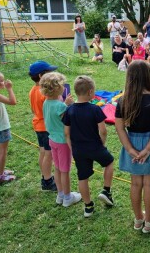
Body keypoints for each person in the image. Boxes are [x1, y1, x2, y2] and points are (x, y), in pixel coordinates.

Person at [115, 61, 150, 233]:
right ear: (147, 76)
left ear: (129, 77)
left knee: (136, 184)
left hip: (132, 144)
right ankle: (149, 222)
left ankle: (139, 219)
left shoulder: (122, 101)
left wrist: (130, 149)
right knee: (149, 184)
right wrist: (147, 150)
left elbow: (119, 128)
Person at [62, 76, 114, 217]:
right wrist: (102, 143)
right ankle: (106, 191)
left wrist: (72, 148)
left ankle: (88, 207)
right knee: (109, 163)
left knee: (82, 178)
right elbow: (103, 130)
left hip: (78, 150)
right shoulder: (95, 109)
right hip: (95, 146)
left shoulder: (69, 110)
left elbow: (66, 133)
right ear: (91, 92)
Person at [40, 72, 82, 208]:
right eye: (63, 85)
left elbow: (55, 114)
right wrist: (69, 106)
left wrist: (64, 104)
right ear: (57, 88)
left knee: (57, 169)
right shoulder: (61, 106)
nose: (64, 87)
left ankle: (61, 195)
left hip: (52, 139)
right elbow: (69, 119)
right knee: (65, 171)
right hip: (63, 142)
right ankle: (68, 197)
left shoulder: (47, 102)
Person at [28, 60, 58, 191]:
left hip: (38, 125)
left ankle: (45, 177)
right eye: (49, 73)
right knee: (48, 154)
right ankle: (47, 181)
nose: (53, 74)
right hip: (46, 127)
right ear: (41, 76)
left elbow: (34, 110)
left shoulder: (33, 90)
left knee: (43, 152)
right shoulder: (44, 93)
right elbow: (51, 111)